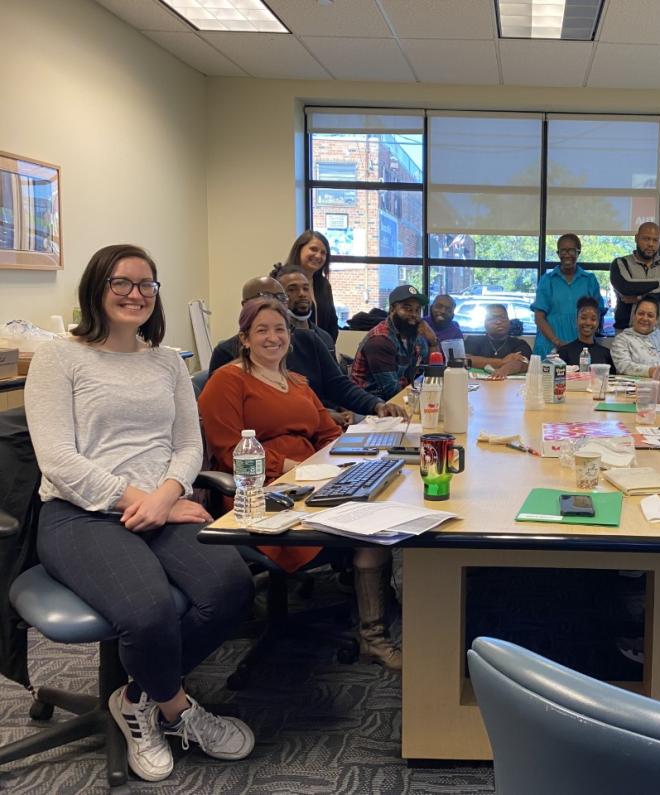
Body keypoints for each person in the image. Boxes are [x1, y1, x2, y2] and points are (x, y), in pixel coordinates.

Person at [24, 244, 255, 783]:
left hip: (164, 506)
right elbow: (57, 459)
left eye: (146, 284)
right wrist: (142, 500)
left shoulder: (167, 362)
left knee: (232, 586)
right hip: (79, 515)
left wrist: (169, 493)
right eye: (121, 283)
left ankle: (134, 697)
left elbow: (187, 445)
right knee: (148, 609)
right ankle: (175, 708)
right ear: (96, 289)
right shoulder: (60, 358)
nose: (135, 294)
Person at [198, 298, 402, 671]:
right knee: (364, 532)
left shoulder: (297, 382)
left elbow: (328, 434)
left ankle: (373, 632)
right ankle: (374, 637)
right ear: (244, 339)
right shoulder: (227, 381)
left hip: (310, 479)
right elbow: (229, 453)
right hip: (257, 494)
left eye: (280, 329)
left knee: (379, 517)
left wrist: (348, 464)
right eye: (262, 330)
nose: (272, 338)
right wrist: (290, 465)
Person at [208, 276, 405, 424]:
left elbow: (338, 386)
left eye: (281, 297)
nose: (273, 338)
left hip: (313, 440)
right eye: (265, 297)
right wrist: (321, 417)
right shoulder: (226, 362)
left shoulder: (305, 353)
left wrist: (376, 405)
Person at [349, 285, 437, 401]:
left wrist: (433, 341)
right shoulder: (380, 341)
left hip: (398, 400)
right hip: (370, 406)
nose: (414, 315)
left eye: (417, 310)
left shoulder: (413, 333)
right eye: (407, 309)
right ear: (392, 309)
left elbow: (431, 372)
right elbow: (391, 392)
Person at [530, 234, 605, 356]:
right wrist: (557, 341)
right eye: (563, 250)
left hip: (580, 348)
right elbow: (539, 318)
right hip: (549, 346)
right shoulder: (547, 280)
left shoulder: (589, 280)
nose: (567, 254)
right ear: (558, 253)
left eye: (571, 250)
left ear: (578, 252)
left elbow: (597, 313)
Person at [609, 221, 660, 332]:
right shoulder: (621, 263)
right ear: (636, 238)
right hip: (626, 332)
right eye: (646, 239)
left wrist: (639, 297)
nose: (651, 244)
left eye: (655, 240)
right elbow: (626, 287)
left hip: (659, 333)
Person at [283, 230, 338, 342]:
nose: (318, 256)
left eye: (323, 253)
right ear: (299, 249)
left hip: (321, 351)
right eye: (313, 249)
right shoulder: (281, 281)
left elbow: (332, 323)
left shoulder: (323, 284)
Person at [275, 265, 335, 355]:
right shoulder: (275, 339)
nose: (302, 294)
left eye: (306, 288)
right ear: (279, 297)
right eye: (292, 289)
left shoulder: (325, 338)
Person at [464, 304, 532, 380]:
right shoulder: (473, 340)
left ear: (509, 321)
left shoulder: (520, 344)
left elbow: (523, 364)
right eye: (493, 318)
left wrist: (503, 371)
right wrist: (501, 362)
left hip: (509, 386)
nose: (499, 322)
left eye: (503, 317)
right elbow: (466, 360)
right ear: (485, 323)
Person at [609, 296, 660, 377]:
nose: (645, 318)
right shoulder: (622, 339)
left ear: (656, 319)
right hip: (637, 388)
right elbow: (623, 366)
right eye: (641, 313)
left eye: (650, 315)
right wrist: (653, 371)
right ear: (634, 315)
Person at [556, 296, 615, 373]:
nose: (588, 323)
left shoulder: (606, 354)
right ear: (576, 321)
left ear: (598, 323)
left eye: (593, 319)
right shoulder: (564, 352)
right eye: (583, 318)